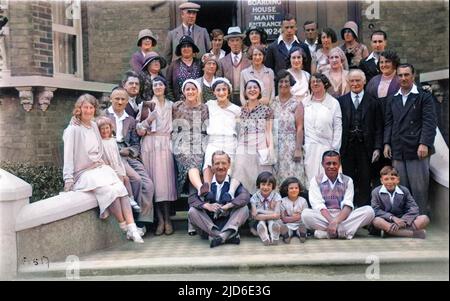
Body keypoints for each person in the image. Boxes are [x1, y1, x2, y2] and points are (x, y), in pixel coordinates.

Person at [63, 94, 143, 243]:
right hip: (84, 172)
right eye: (85, 107)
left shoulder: (94, 126)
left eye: (91, 107)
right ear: (79, 109)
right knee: (110, 191)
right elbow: (68, 156)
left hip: (100, 167)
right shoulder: (73, 130)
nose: (88, 110)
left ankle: (132, 227)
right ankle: (124, 226)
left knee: (121, 188)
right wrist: (68, 179)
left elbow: (103, 145)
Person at [383, 63, 437, 214]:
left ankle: (419, 218)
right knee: (400, 185)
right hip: (398, 148)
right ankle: (405, 217)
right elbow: (389, 123)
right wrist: (387, 143)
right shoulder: (392, 99)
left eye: (406, 75)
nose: (403, 78)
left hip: (417, 148)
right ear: (396, 78)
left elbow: (429, 122)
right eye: (400, 75)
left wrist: (424, 143)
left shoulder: (424, 97)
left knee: (419, 187)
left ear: (413, 76)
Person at [104, 87, 155, 225]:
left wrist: (130, 151)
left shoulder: (131, 120)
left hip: (129, 153)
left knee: (148, 184)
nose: (120, 102)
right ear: (111, 99)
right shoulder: (103, 116)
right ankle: (135, 218)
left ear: (127, 102)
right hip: (111, 152)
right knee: (136, 179)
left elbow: (136, 144)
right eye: (117, 99)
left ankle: (144, 220)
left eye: (123, 99)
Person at [136, 76, 177, 236]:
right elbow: (139, 130)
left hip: (166, 143)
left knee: (165, 185)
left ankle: (168, 219)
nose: (158, 87)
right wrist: (149, 120)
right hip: (150, 144)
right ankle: (160, 220)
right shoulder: (146, 105)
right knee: (154, 183)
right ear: (152, 88)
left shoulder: (171, 105)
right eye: (155, 85)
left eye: (161, 84)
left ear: (165, 87)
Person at [302, 150, 375, 239]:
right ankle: (343, 232)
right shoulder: (316, 180)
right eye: (328, 163)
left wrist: (336, 222)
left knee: (369, 211)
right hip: (324, 216)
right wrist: (333, 222)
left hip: (343, 216)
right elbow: (318, 205)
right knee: (305, 214)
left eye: (334, 163)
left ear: (339, 164)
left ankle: (327, 234)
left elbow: (348, 205)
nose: (331, 166)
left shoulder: (348, 180)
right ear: (322, 164)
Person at [338, 69, 383, 207]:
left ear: (364, 82)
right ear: (348, 82)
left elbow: (379, 127)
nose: (355, 83)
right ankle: (348, 209)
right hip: (346, 147)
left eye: (358, 80)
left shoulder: (374, 102)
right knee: (348, 179)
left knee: (365, 179)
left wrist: (377, 147)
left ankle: (364, 212)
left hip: (366, 148)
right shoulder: (340, 101)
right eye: (352, 80)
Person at [188, 151, 251, 248]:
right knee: (192, 211)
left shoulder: (233, 182)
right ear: (212, 166)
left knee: (245, 209)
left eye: (224, 163)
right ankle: (225, 236)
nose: (220, 167)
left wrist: (228, 206)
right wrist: (207, 206)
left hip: (228, 222)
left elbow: (245, 196)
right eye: (217, 163)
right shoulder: (206, 184)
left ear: (229, 164)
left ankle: (221, 237)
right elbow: (192, 199)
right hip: (208, 226)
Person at [233, 79, 274, 194]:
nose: (252, 90)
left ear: (259, 91)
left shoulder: (267, 110)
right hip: (244, 145)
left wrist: (270, 148)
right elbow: (238, 131)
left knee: (262, 174)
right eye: (249, 88)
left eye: (255, 87)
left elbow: (268, 131)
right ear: (245, 92)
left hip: (261, 144)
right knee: (240, 167)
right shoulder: (239, 111)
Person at [271, 70, 308, 188]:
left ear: (291, 83)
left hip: (291, 143)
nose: (283, 84)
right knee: (277, 175)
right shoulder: (273, 102)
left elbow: (300, 127)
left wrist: (298, 148)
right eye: (281, 81)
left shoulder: (296, 103)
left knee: (293, 174)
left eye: (286, 81)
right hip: (276, 144)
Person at [303, 73, 342, 184]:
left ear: (325, 84)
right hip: (310, 147)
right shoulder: (305, 103)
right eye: (312, 82)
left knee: (329, 179)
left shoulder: (334, 103)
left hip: (328, 147)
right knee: (311, 179)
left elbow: (338, 127)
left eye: (318, 81)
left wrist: (334, 149)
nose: (315, 83)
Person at [172, 79, 209, 196]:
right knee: (187, 156)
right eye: (187, 89)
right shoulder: (177, 106)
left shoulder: (204, 108)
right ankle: (200, 187)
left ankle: (199, 189)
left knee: (197, 157)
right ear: (183, 91)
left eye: (193, 89)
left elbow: (205, 129)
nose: (190, 91)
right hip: (181, 140)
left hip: (199, 140)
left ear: (198, 91)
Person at [370, 166, 429, 239]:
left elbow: (414, 208)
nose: (390, 182)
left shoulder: (404, 190)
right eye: (386, 179)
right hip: (386, 221)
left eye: (393, 179)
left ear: (398, 180)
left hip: (403, 221)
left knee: (424, 219)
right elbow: (376, 210)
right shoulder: (376, 192)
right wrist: (392, 218)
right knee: (376, 221)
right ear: (381, 181)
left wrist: (403, 221)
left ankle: (389, 233)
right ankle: (412, 234)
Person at [96, 116, 141, 213]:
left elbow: (117, 156)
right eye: (102, 129)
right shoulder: (100, 143)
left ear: (110, 128)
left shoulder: (113, 140)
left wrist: (122, 170)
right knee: (120, 180)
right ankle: (125, 198)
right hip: (109, 168)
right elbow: (102, 158)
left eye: (107, 128)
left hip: (117, 165)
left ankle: (131, 198)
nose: (105, 131)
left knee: (127, 179)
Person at [203, 78, 241, 186]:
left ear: (228, 91)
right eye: (218, 90)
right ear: (214, 92)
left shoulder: (236, 109)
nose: (221, 92)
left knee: (227, 166)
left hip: (230, 141)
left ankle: (225, 191)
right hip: (213, 140)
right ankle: (207, 189)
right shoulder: (209, 105)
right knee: (209, 162)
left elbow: (239, 129)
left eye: (224, 89)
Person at [217, 26, 251, 106]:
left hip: (246, 98)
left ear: (241, 42)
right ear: (228, 43)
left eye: (237, 40)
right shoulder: (222, 62)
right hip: (228, 99)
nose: (235, 43)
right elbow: (219, 82)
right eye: (232, 41)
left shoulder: (249, 61)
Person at [166, 35, 203, 102]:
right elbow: (168, 85)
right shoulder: (173, 65)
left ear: (193, 49)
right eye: (183, 46)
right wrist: (173, 102)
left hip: (198, 103)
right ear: (180, 50)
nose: (186, 48)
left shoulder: (200, 64)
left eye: (189, 46)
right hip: (179, 104)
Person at [250, 171, 282, 246]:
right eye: (263, 184)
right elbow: (255, 216)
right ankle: (265, 237)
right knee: (260, 223)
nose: (266, 187)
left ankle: (274, 237)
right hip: (257, 222)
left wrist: (260, 211)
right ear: (259, 185)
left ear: (273, 186)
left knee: (272, 222)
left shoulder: (277, 197)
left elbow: (277, 215)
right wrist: (271, 214)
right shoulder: (254, 198)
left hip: (273, 221)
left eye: (269, 185)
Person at [279, 177, 309, 243]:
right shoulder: (282, 201)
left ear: (299, 189)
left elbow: (305, 215)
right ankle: (286, 236)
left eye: (296, 188)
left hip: (300, 224)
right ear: (286, 189)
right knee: (285, 227)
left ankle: (302, 235)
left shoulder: (303, 201)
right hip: (287, 224)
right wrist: (298, 216)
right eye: (291, 188)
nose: (294, 190)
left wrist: (290, 217)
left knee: (302, 227)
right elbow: (284, 219)